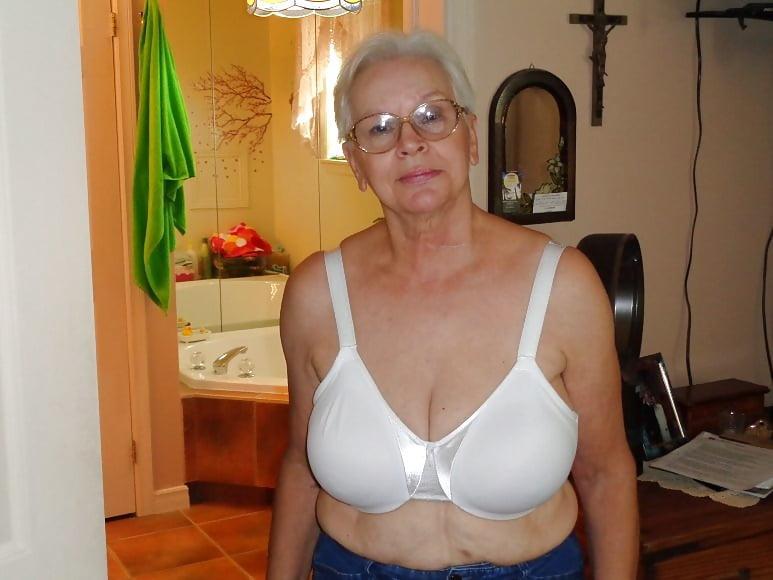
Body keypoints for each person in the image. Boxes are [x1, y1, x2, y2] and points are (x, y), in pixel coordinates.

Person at [267, 30, 638, 579]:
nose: (409, 142)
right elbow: (301, 469)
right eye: (380, 127)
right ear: (356, 163)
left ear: (471, 137)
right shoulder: (316, 294)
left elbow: (605, 474)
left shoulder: (565, 287)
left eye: (431, 115)